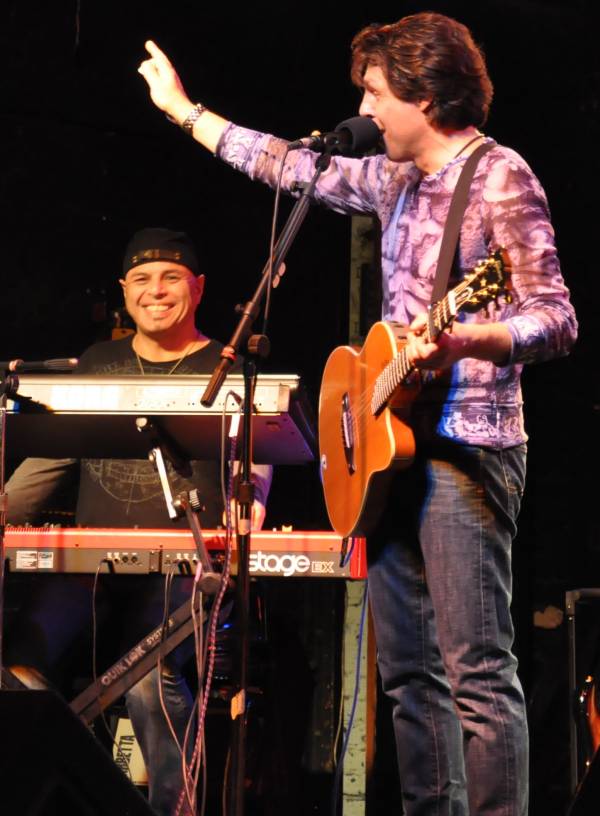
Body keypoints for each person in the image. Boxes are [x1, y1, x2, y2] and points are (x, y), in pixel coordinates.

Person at [137, 12, 577, 815]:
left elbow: (555, 317)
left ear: (426, 94)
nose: (367, 111)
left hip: (465, 453)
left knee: (475, 672)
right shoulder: (391, 178)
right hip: (385, 449)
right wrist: (183, 111)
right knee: (409, 675)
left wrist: (469, 335)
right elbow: (283, 165)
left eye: (376, 93)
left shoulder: (501, 177)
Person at [5, 227, 272, 816]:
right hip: (88, 570)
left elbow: (257, 455)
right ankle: (81, 778)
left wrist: (250, 498)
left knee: (151, 679)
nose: (155, 291)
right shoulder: (98, 363)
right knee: (15, 666)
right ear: (124, 291)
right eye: (141, 280)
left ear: (197, 289)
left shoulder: (222, 365)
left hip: (185, 570)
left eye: (171, 277)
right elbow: (51, 460)